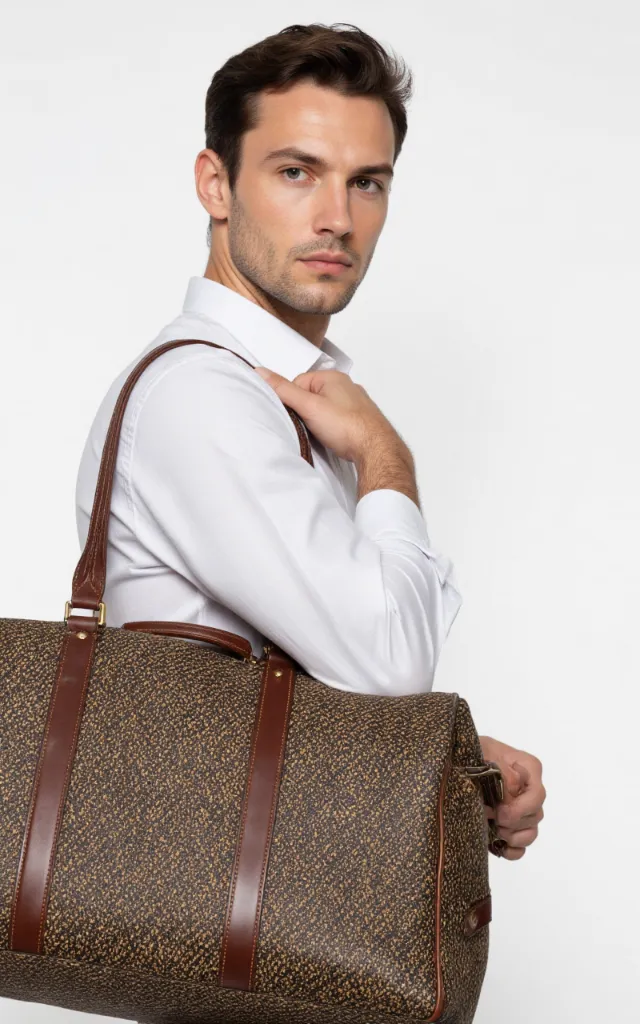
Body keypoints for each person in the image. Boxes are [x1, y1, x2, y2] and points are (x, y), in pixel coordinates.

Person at [75, 22, 545, 859]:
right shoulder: (201, 396)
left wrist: (452, 765)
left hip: (242, 914)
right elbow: (389, 665)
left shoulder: (276, 398)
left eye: (368, 183)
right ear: (215, 184)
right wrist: (385, 457)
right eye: (297, 172)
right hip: (203, 915)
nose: (337, 218)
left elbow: (299, 692)